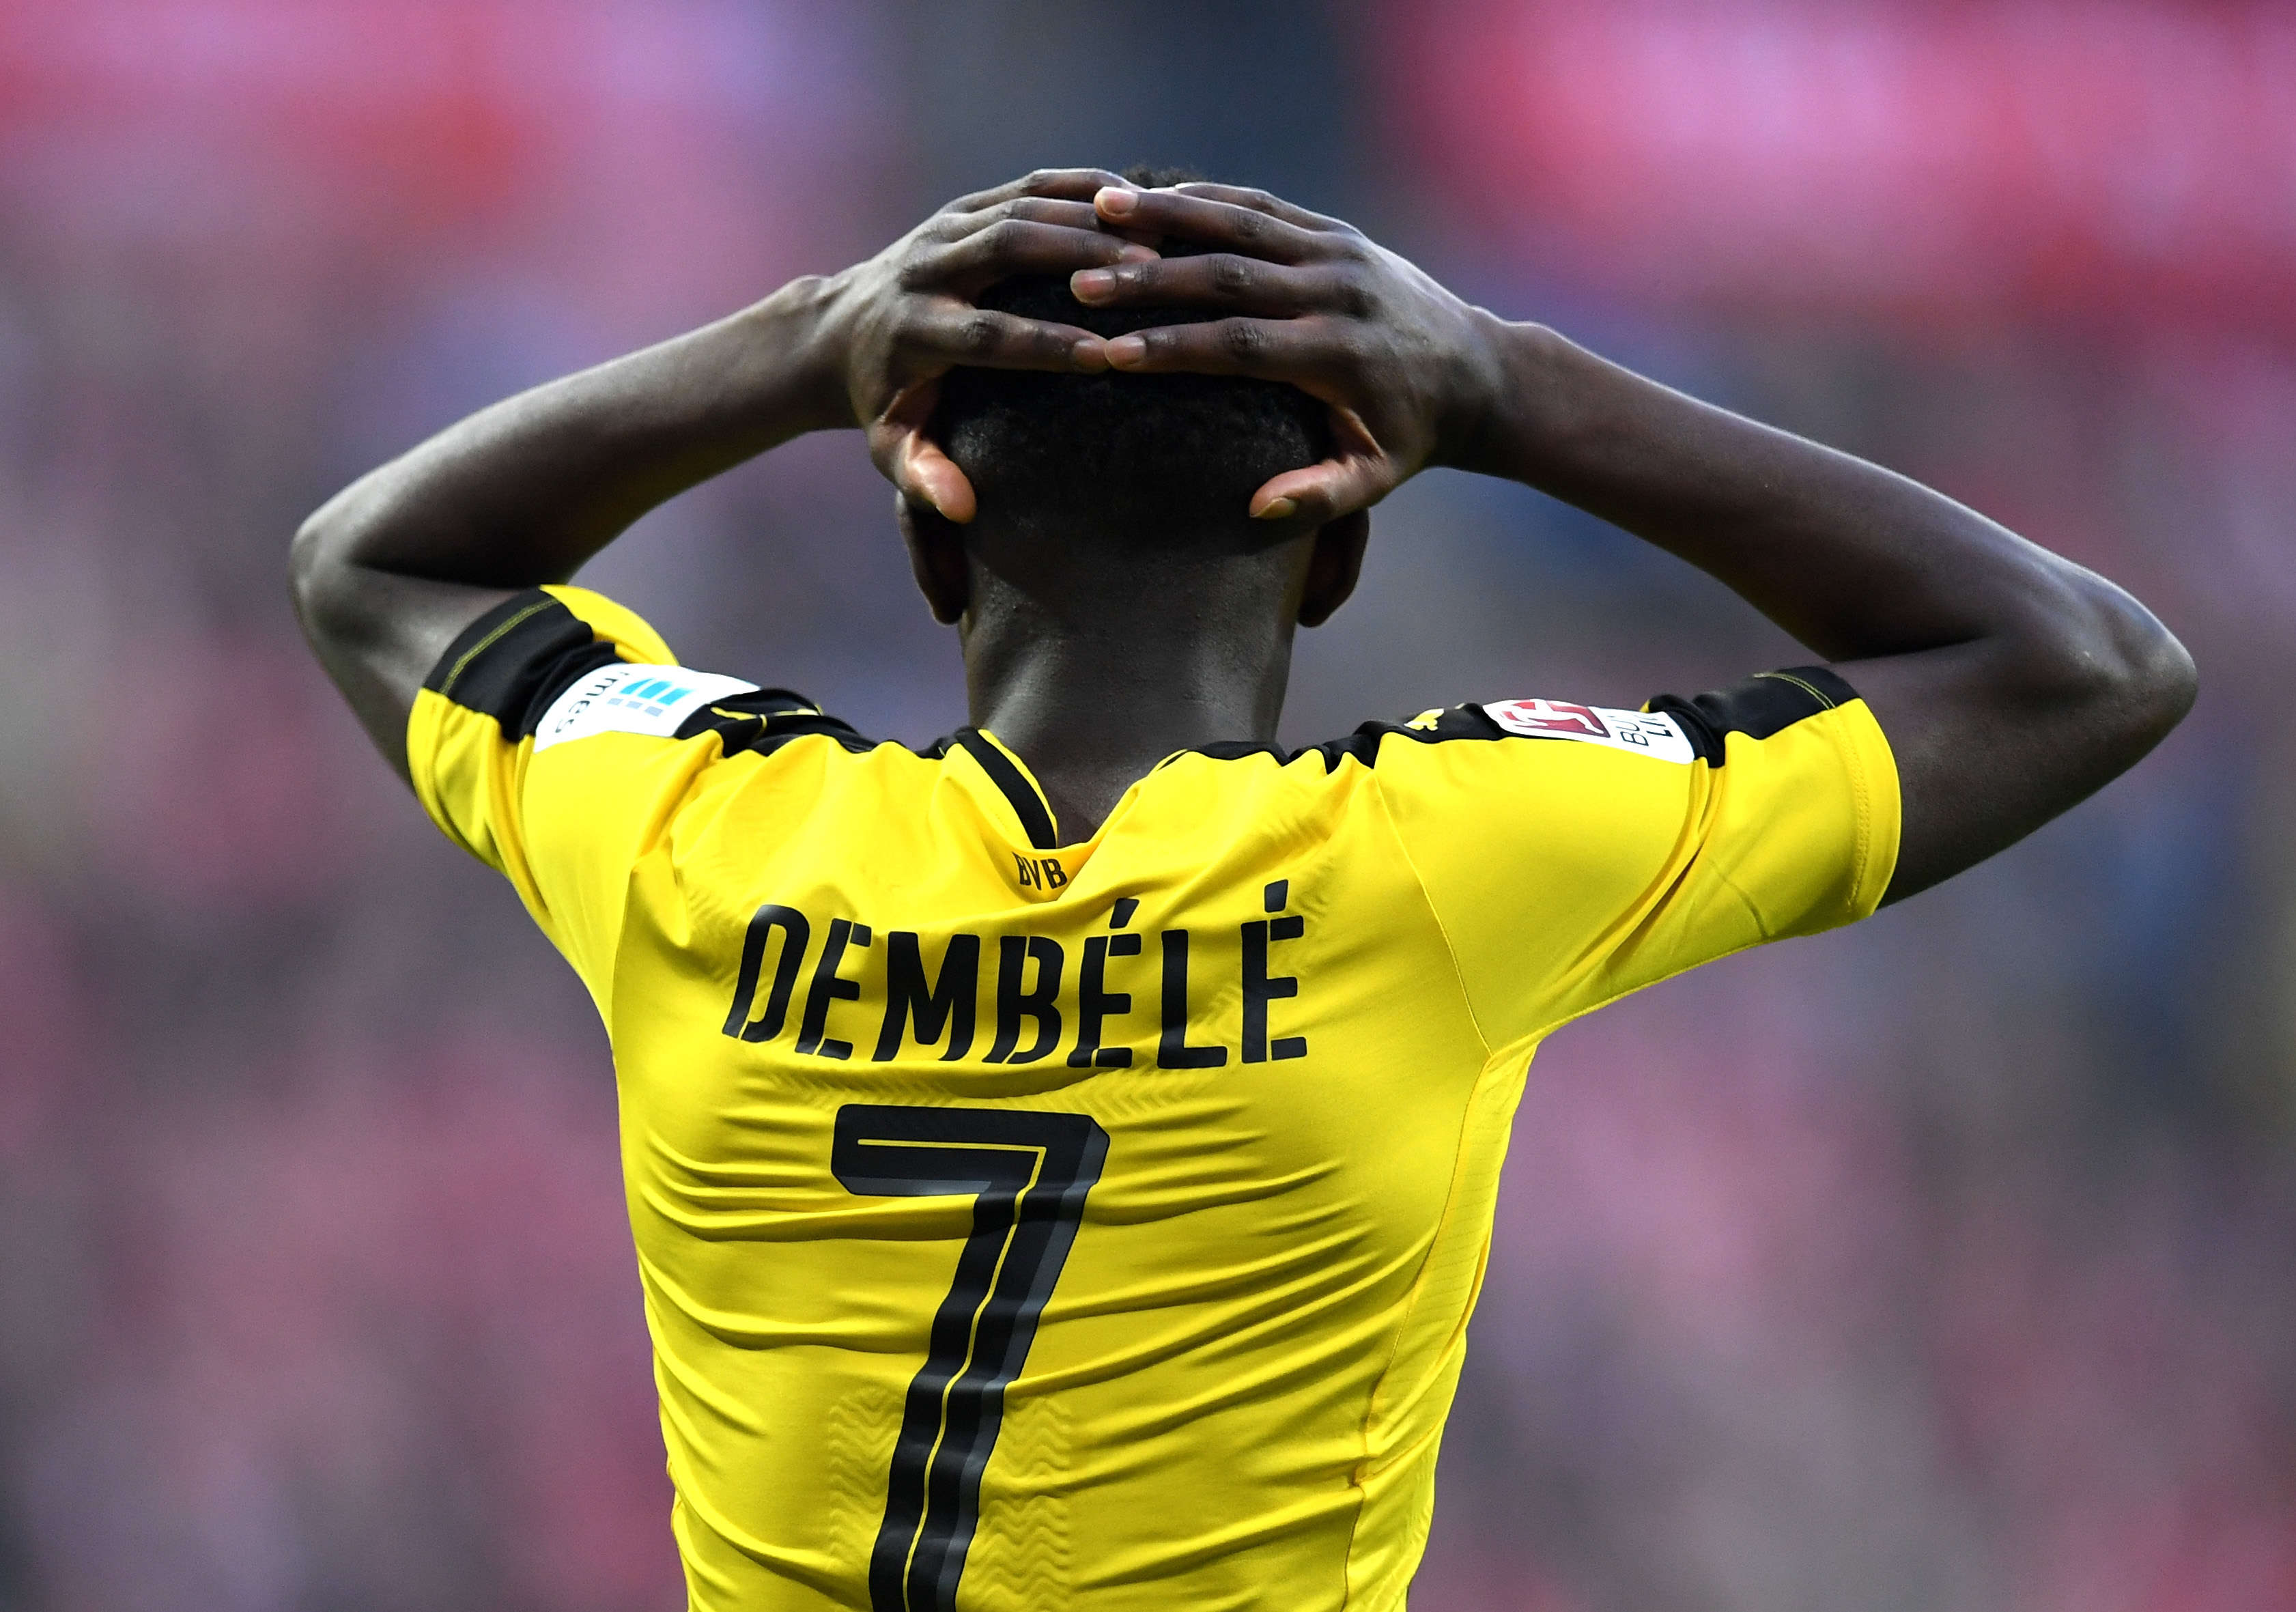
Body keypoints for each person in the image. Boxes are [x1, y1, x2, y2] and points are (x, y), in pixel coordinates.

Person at [290, 166, 2194, 1611]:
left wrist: (804, 340)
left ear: (924, 536)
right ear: (1334, 562)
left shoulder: (697, 830)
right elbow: (2076, 662)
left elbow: (376, 564)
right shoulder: (1445, 858)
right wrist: (1505, 384)